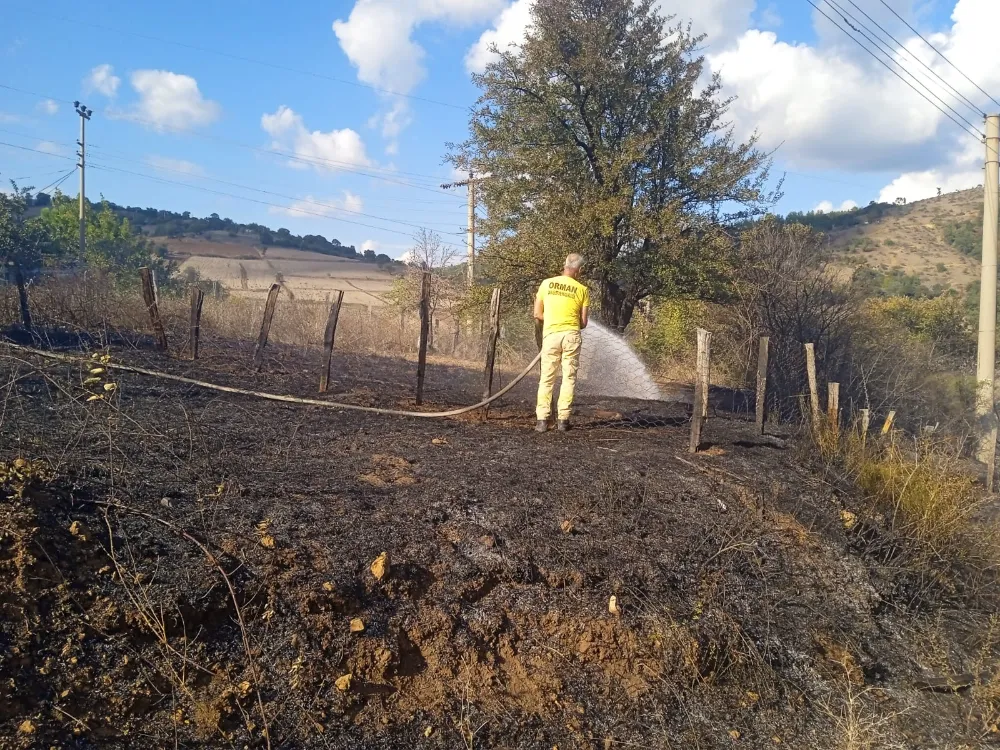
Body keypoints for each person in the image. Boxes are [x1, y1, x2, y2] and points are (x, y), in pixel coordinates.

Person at [533, 253, 590, 432]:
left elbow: (537, 314)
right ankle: (563, 421)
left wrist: (552, 320)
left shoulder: (546, 284)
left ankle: (542, 421)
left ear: (564, 266)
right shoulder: (582, 289)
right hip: (571, 336)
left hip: (551, 335)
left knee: (547, 378)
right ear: (579, 270)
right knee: (569, 378)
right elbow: (584, 322)